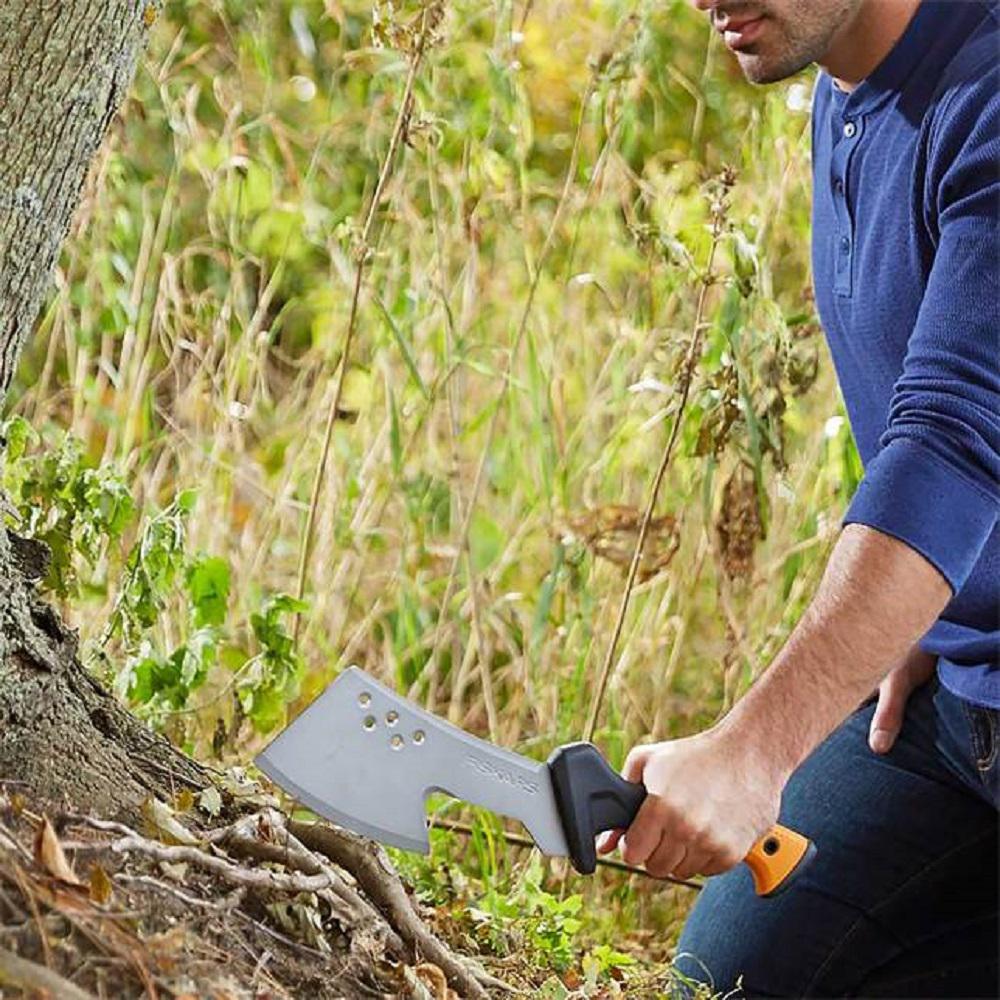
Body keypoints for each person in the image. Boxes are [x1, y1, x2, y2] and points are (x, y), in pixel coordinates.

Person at [598, 1, 1000, 995]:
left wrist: (754, 751)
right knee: (730, 978)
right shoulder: (847, 84)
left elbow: (953, 441)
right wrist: (914, 606)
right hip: (954, 704)